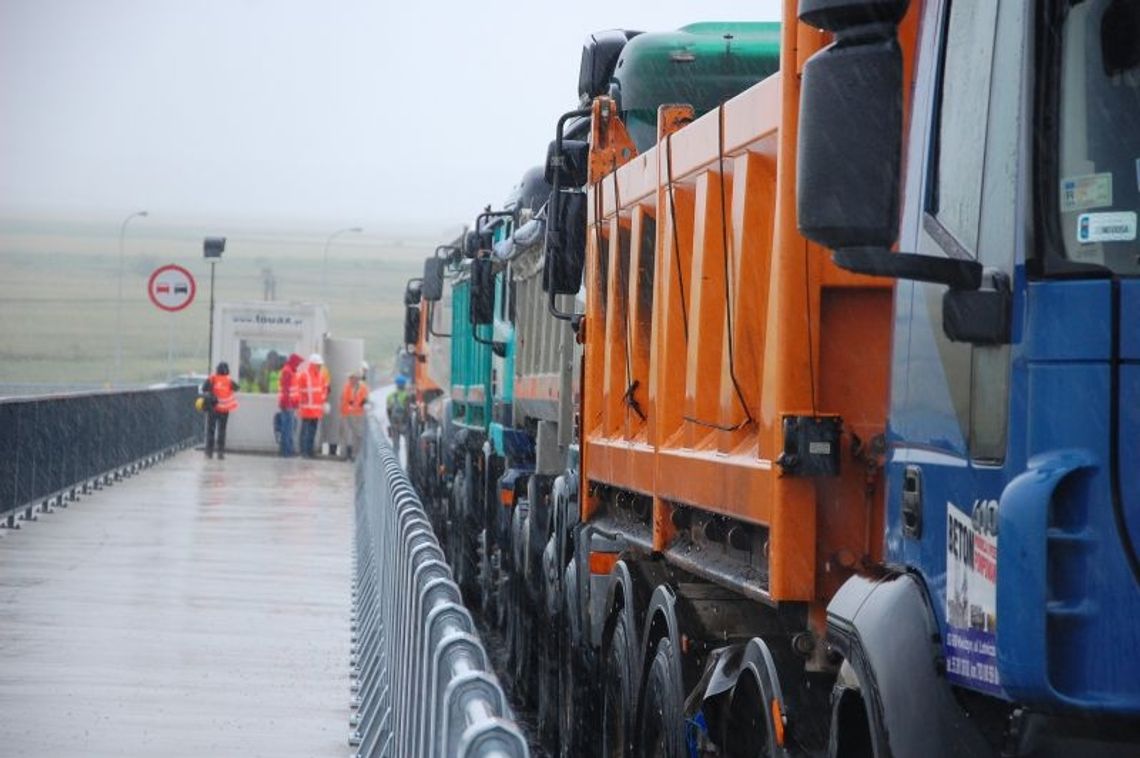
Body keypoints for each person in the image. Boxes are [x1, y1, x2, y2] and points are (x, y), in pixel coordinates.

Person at [201, 362, 239, 459]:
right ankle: (220, 452)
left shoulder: (212, 378)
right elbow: (237, 388)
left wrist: (212, 390)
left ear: (217, 369)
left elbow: (204, 388)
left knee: (211, 430)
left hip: (213, 408)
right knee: (222, 431)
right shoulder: (229, 380)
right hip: (224, 410)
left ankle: (209, 452)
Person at [296, 352, 330, 458]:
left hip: (316, 411)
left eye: (320, 365)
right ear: (312, 364)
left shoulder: (321, 376)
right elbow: (298, 390)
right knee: (305, 433)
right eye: (318, 365)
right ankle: (303, 451)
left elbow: (324, 389)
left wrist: (323, 401)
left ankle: (309, 451)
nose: (319, 367)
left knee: (312, 433)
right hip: (306, 410)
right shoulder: (304, 375)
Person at [339, 371, 370, 461]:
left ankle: (355, 454)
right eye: (351, 378)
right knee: (345, 434)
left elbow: (365, 399)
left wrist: (360, 405)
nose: (352, 380)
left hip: (357, 414)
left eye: (354, 378)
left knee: (357, 435)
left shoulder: (363, 387)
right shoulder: (347, 387)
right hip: (346, 413)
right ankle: (344, 454)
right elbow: (344, 399)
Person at [277, 352, 303, 457]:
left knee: (288, 428)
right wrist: (289, 403)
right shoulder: (288, 371)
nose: (298, 365)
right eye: (297, 363)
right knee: (288, 429)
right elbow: (286, 389)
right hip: (288, 405)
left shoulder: (289, 370)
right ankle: (287, 451)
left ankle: (287, 450)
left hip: (289, 404)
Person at [386, 374, 411, 455]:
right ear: (404, 384)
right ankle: (408, 465)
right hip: (404, 424)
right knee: (408, 446)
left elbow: (388, 411)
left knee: (396, 446)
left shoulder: (390, 396)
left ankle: (396, 464)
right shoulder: (407, 395)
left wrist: (391, 423)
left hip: (394, 424)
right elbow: (408, 411)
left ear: (396, 384)